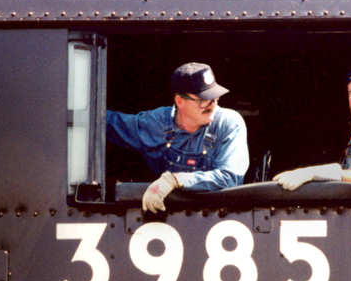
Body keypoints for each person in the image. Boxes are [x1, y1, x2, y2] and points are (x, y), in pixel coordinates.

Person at [106, 63, 248, 213]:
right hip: (165, 215)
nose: (212, 105)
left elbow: (229, 178)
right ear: (180, 101)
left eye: (215, 98)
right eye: (204, 100)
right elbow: (108, 123)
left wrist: (175, 180)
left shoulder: (229, 123)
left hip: (218, 216)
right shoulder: (156, 123)